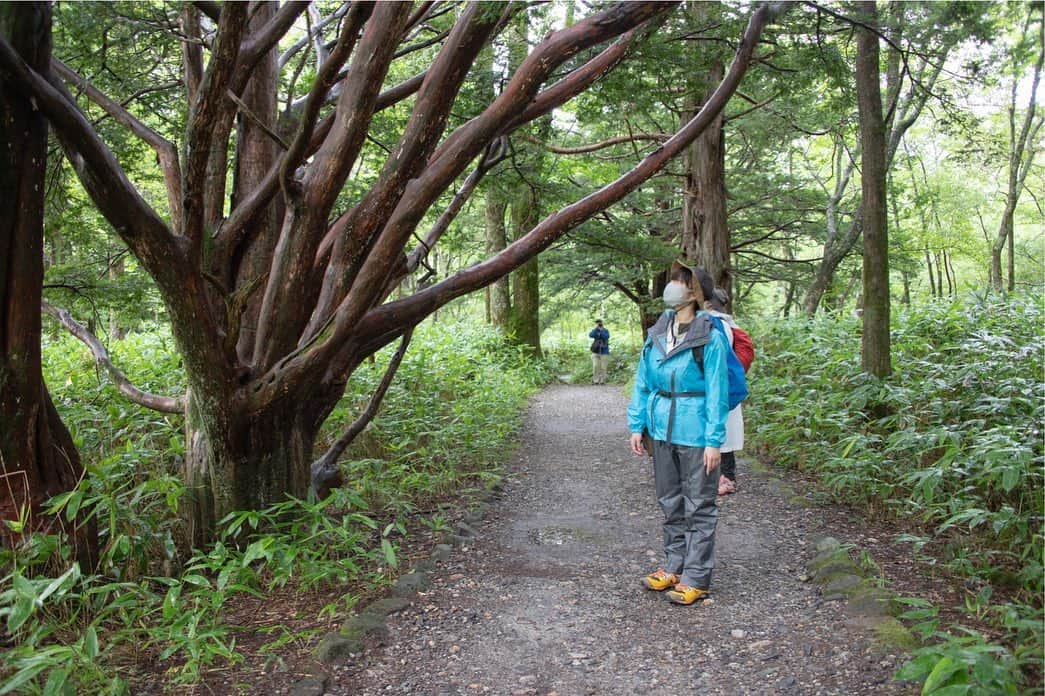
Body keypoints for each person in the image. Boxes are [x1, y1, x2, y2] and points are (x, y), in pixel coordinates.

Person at [627, 261, 729, 605]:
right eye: (671, 279)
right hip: (661, 430)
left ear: (694, 292)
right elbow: (643, 382)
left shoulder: (709, 338)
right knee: (670, 501)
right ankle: (674, 565)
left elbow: (717, 391)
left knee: (699, 505)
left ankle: (696, 577)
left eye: (680, 281)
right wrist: (636, 424)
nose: (672, 286)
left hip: (697, 432)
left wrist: (716, 441)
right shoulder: (658, 332)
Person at [708, 286, 745, 495]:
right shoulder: (729, 324)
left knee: (721, 432)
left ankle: (724, 477)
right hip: (729, 385)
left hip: (718, 386)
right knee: (727, 431)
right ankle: (727, 476)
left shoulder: (716, 325)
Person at [589, 319, 610, 385]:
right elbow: (590, 335)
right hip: (595, 351)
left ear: (602, 323)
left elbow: (606, 337)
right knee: (595, 366)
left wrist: (601, 330)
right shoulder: (595, 330)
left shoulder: (606, 331)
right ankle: (596, 380)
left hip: (604, 351)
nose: (599, 324)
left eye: (599, 323)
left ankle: (602, 381)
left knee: (603, 367)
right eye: (597, 323)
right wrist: (596, 329)